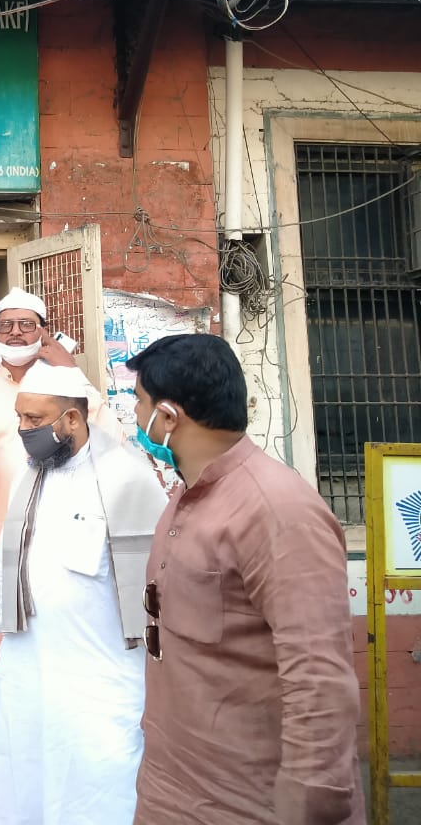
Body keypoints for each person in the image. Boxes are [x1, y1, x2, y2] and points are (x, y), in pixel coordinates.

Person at [127, 334, 365, 825]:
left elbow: (317, 677)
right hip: (174, 785)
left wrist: (309, 804)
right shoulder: (185, 496)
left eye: (138, 401)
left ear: (168, 417)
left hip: (249, 800)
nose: (134, 414)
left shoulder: (278, 510)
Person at [0, 362, 167, 825]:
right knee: (24, 791)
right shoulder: (32, 478)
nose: (22, 430)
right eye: (19, 418)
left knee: (99, 796)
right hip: (29, 678)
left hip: (102, 685)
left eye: (34, 420)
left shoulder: (127, 477)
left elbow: (164, 588)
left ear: (72, 420)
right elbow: (7, 577)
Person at [0, 286, 123, 774]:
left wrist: (72, 373)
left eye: (27, 324)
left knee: (55, 668)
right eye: (6, 324)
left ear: (43, 329)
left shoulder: (68, 386)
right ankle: (3, 789)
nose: (15, 333)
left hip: (59, 545)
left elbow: (112, 442)